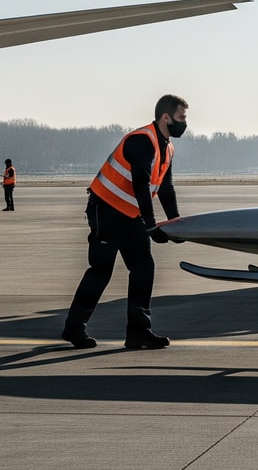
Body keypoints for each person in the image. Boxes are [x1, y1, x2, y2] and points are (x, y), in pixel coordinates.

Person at [61, 95, 188, 350]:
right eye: (182, 117)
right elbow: (140, 183)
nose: (185, 123)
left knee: (143, 268)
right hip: (106, 212)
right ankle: (74, 328)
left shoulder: (167, 148)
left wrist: (175, 223)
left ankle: (139, 332)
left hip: (131, 215)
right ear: (166, 117)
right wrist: (152, 225)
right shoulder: (142, 140)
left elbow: (166, 189)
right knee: (101, 270)